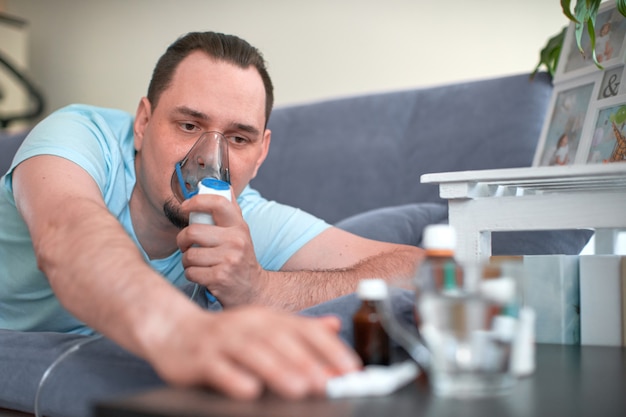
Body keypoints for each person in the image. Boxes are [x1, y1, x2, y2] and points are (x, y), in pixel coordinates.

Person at [0, 31, 423, 400]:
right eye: (188, 125)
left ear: (261, 154)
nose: (208, 161)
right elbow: (67, 235)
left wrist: (261, 288)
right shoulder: (79, 138)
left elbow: (417, 268)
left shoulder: (242, 219)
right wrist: (183, 331)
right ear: (144, 122)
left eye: (238, 138)